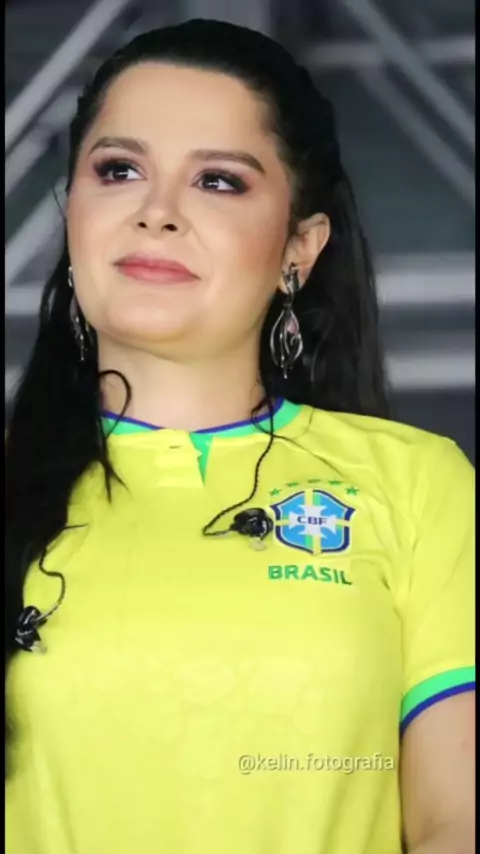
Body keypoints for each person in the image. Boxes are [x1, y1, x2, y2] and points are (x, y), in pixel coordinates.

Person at [5, 18, 475, 854]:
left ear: (301, 247)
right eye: (119, 170)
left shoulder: (417, 485)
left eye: (217, 181)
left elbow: (458, 819)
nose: (156, 213)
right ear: (70, 211)